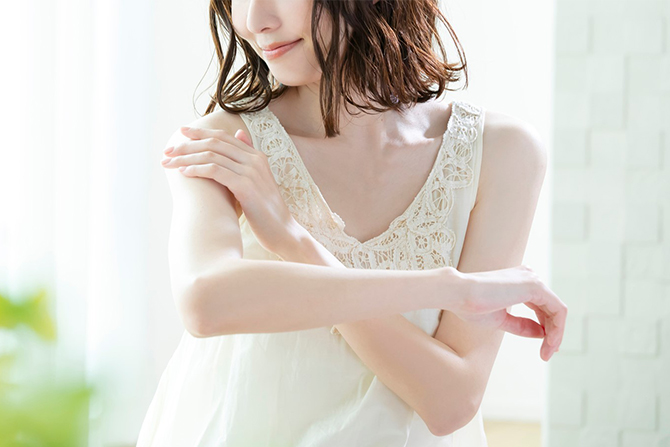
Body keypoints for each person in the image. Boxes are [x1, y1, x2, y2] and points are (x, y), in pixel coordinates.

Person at [138, 0, 567, 445]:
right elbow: (205, 301)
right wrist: (452, 288)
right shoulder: (223, 143)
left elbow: (450, 404)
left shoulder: (499, 152)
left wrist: (296, 242)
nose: (253, 21)